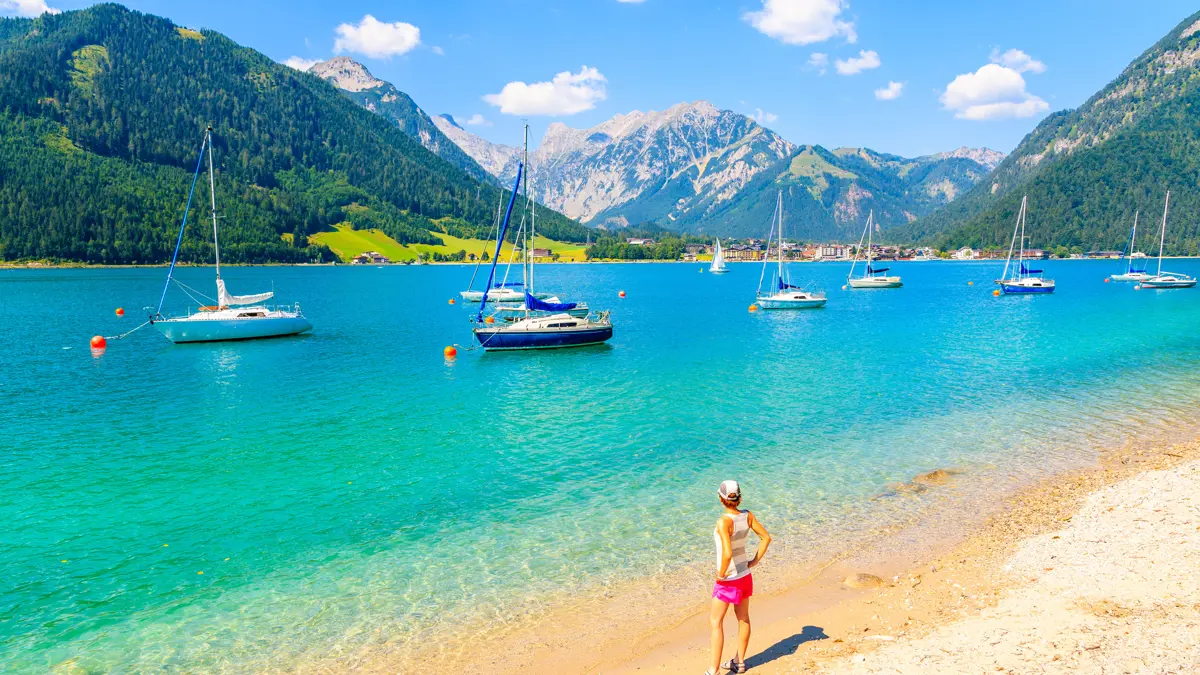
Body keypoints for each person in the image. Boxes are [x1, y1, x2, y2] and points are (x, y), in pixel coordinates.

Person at [705, 480, 771, 675]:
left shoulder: (724, 521)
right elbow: (766, 538)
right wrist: (754, 561)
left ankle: (713, 670)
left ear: (721, 498)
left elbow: (727, 553)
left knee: (715, 622)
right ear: (739, 497)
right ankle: (739, 662)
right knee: (743, 619)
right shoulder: (747, 515)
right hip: (744, 575)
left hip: (728, 580)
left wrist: (720, 574)